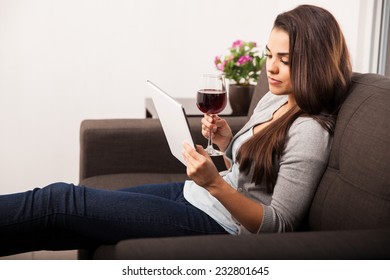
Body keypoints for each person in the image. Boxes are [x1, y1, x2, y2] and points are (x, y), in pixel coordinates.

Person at [0, 4, 352, 256]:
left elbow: (277, 226)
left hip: (217, 223)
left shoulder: (310, 132)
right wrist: (229, 144)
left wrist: (212, 182)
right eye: (268, 55)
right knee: (65, 214)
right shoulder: (279, 99)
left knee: (60, 199)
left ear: (313, 63)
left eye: (285, 60)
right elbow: (250, 175)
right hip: (198, 196)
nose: (270, 68)